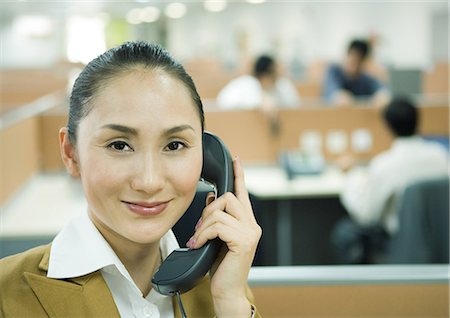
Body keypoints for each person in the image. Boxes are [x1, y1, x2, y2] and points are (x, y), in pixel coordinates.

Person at [0, 41, 262, 317]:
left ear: (207, 159)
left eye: (174, 145)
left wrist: (231, 302)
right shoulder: (7, 295)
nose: (149, 182)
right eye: (119, 145)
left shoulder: (224, 288)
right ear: (71, 153)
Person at [332, 97, 448, 263]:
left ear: (388, 127)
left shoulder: (385, 164)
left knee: (344, 232)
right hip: (440, 246)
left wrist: (350, 177)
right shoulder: (440, 156)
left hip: (400, 244)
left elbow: (366, 216)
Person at [217, 55, 301, 110]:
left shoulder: (281, 85)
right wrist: (260, 102)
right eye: (275, 75)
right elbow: (223, 103)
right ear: (265, 76)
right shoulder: (246, 84)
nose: (278, 78)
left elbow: (294, 104)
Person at [322, 39, 390, 107]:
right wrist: (338, 96)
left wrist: (382, 95)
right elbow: (332, 90)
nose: (354, 67)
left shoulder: (365, 78)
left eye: (358, 62)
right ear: (347, 55)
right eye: (352, 60)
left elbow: (381, 90)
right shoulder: (334, 71)